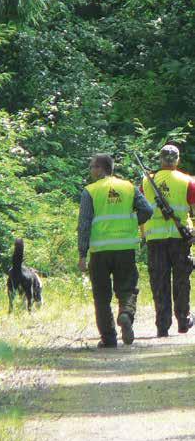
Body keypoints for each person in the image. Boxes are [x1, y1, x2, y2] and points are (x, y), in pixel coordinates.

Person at [78, 153, 153, 348]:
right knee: (127, 288)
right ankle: (126, 314)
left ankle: (109, 339)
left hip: (100, 251)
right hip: (125, 248)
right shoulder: (129, 187)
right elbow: (147, 210)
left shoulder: (90, 191)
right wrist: (131, 223)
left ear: (100, 169)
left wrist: (82, 254)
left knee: (101, 296)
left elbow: (84, 224)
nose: (90, 170)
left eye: (92, 167)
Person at [142, 144, 195, 337]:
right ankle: (183, 320)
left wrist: (142, 234)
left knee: (159, 280)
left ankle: (162, 325)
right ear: (178, 160)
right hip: (180, 238)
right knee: (182, 280)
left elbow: (141, 209)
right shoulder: (187, 181)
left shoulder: (147, 181)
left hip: (155, 238)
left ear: (160, 159)